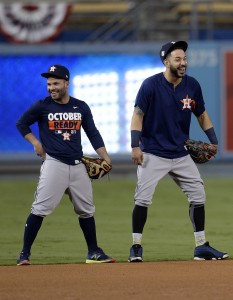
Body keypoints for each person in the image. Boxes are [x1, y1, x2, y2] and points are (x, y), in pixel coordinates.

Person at [128, 41, 229, 262]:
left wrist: (213, 140)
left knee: (198, 195)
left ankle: (201, 246)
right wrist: (135, 145)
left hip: (181, 152)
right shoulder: (150, 85)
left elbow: (201, 114)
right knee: (142, 199)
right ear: (166, 62)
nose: (183, 63)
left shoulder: (192, 85)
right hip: (153, 152)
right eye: (178, 59)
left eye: (184, 58)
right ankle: (136, 246)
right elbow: (138, 115)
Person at [16, 64, 116, 265]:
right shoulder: (42, 106)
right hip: (54, 164)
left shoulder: (80, 107)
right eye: (49, 83)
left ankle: (93, 252)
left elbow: (93, 133)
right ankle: (24, 254)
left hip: (78, 165)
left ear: (66, 83)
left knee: (86, 210)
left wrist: (105, 157)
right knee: (40, 208)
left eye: (55, 83)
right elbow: (22, 123)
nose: (51, 87)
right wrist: (36, 143)